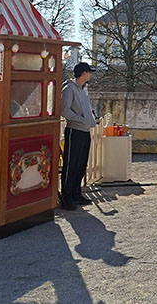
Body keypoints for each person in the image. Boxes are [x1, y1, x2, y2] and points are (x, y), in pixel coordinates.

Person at [60, 62, 97, 211]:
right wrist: (81, 119)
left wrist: (90, 117)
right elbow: (65, 110)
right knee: (71, 164)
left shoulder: (83, 89)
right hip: (74, 130)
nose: (90, 75)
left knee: (81, 164)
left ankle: (76, 192)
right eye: (89, 72)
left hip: (84, 131)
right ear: (83, 73)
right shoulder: (69, 89)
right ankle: (66, 195)